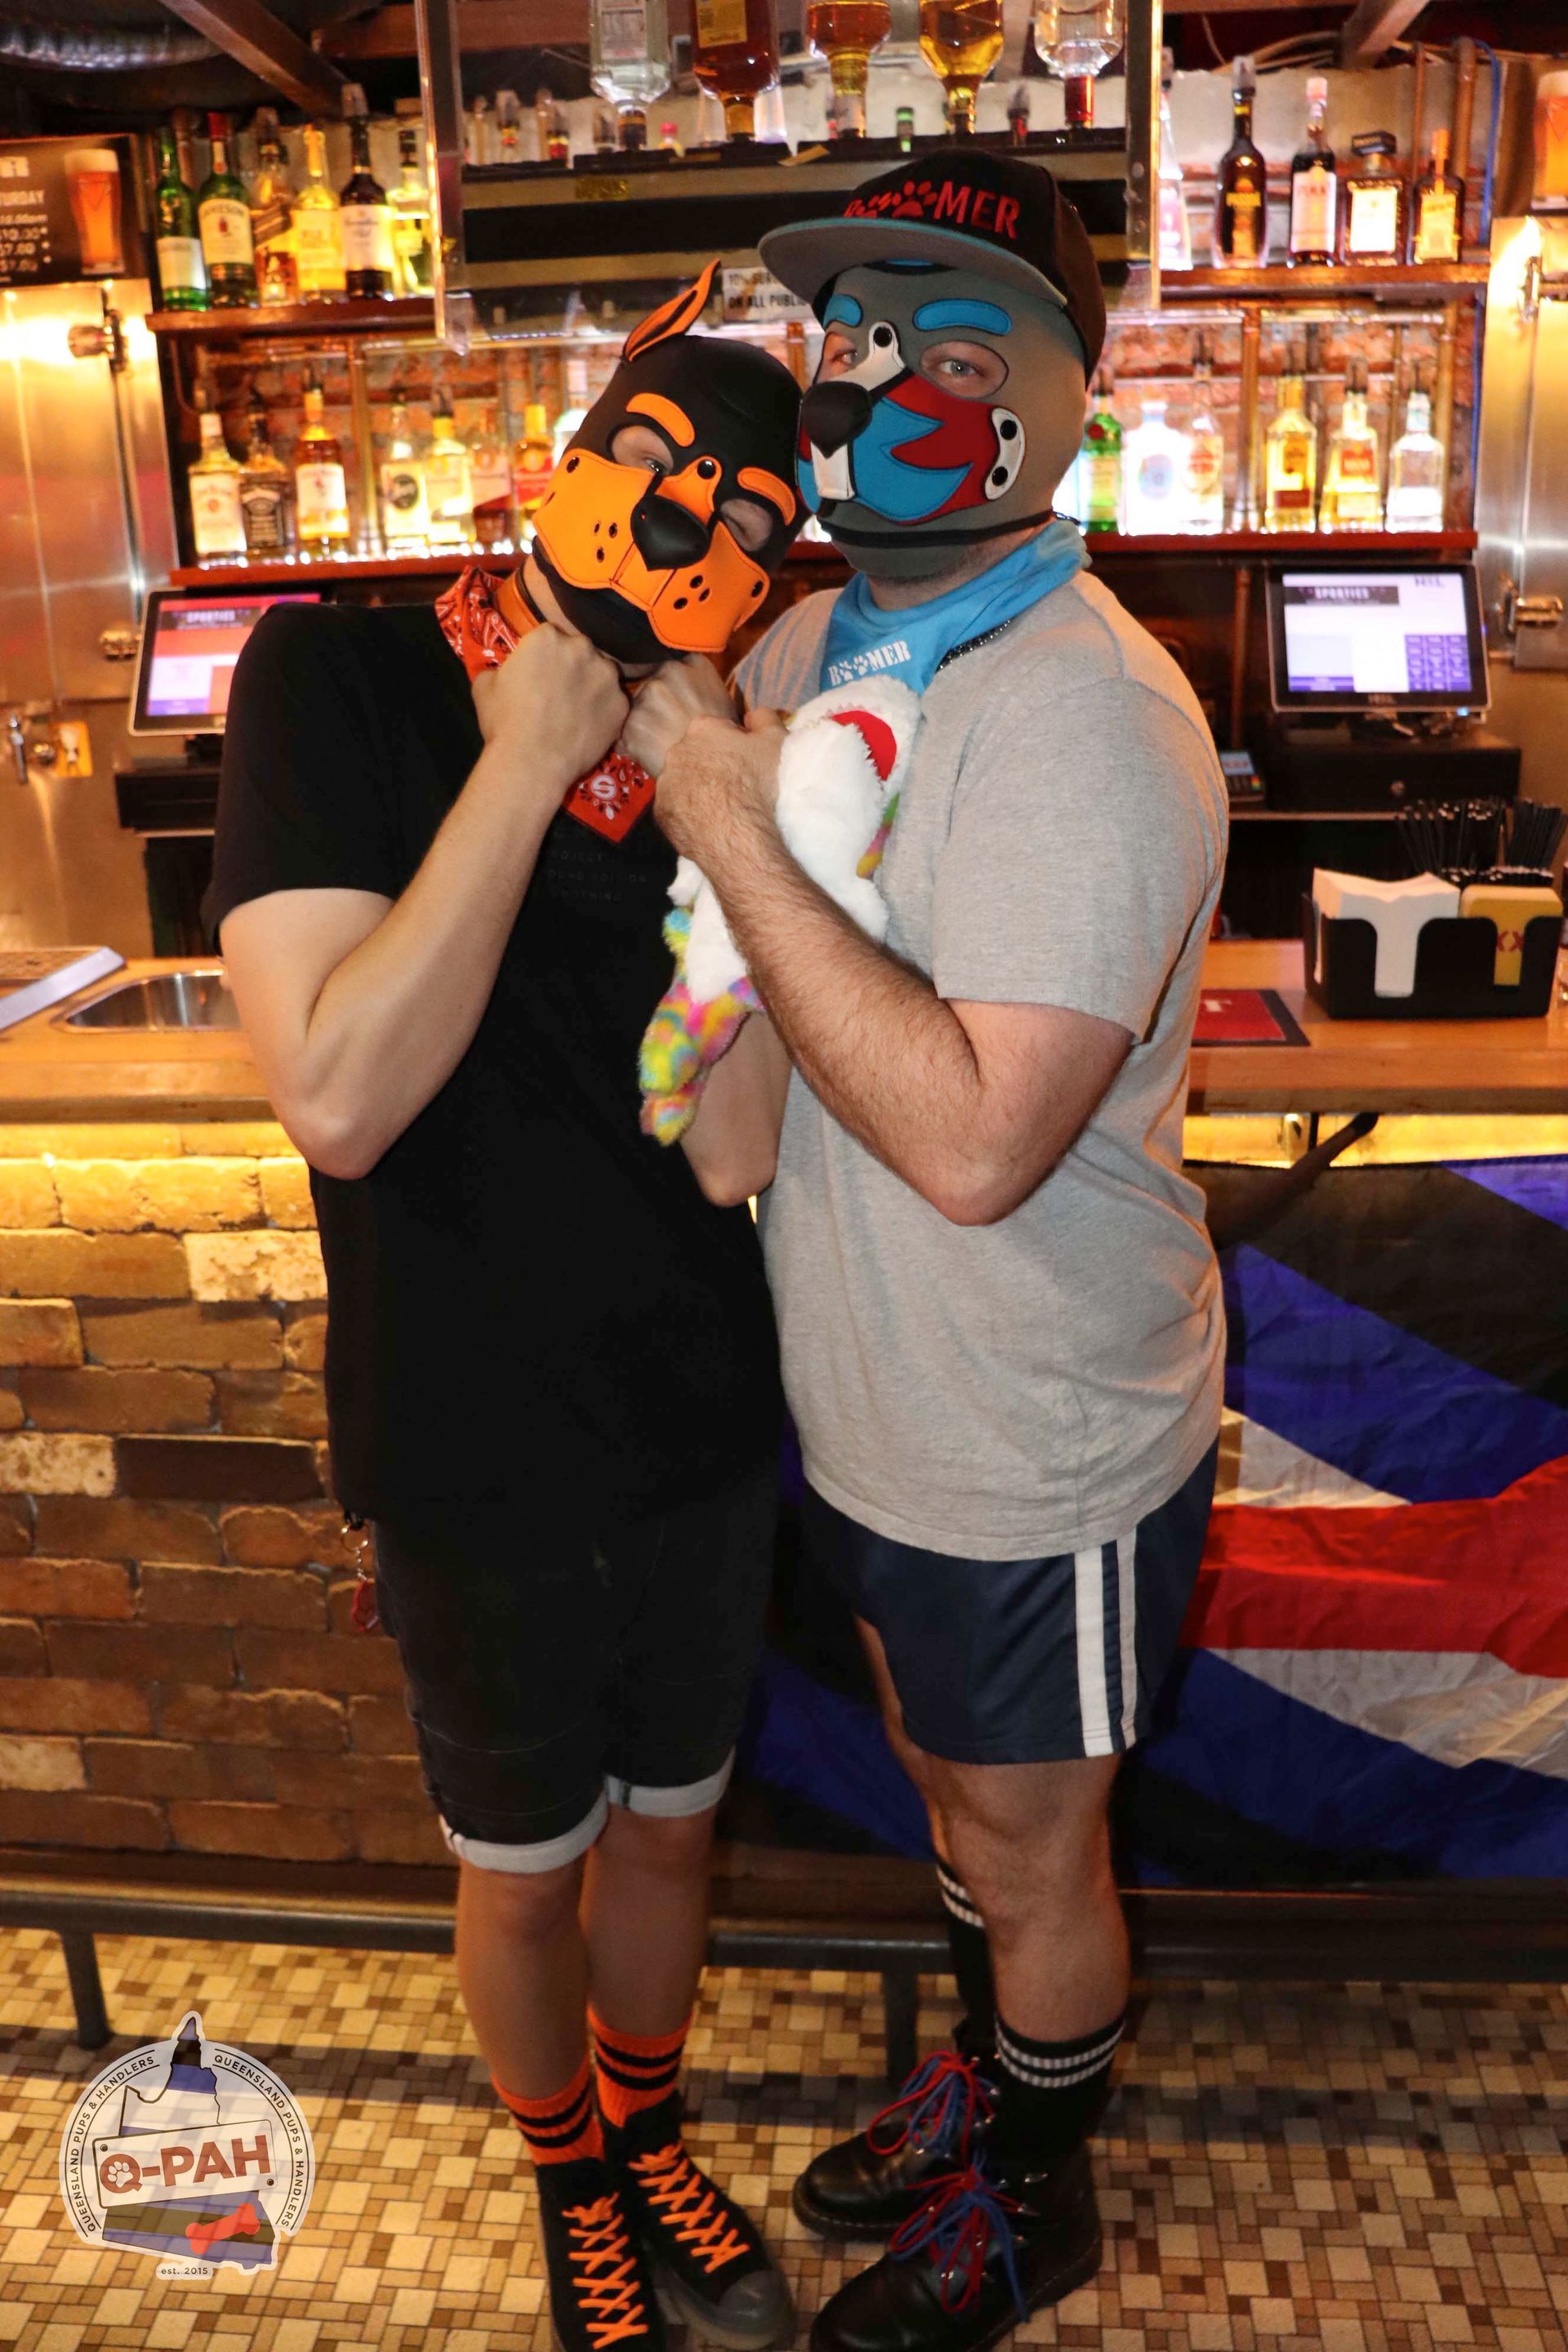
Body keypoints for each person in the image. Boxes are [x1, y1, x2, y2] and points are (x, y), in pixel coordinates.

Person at [624, 154, 1229, 2352]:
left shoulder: (1083, 711)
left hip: (1041, 1434)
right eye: (856, 341)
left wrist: (723, 814)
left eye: (954, 353)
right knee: (954, 1796)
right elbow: (744, 1047)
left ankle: (1039, 2200)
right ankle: (995, 2081)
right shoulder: (808, 647)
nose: (883, 389)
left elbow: (976, 1143)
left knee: (1036, 1843)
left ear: (1064, 406)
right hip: (873, 1408)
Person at [207, 268, 802, 2352]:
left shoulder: (714, 750)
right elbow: (342, 1096)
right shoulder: (340, 678)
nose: (695, 529)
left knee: (674, 1844)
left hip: (701, 1412)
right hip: (466, 1427)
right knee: (529, 1867)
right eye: (662, 470)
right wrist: (529, 760)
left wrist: (731, 812)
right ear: (572, 458)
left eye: (751, 522)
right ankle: (572, 2180)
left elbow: (733, 1154)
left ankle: (648, 2140)